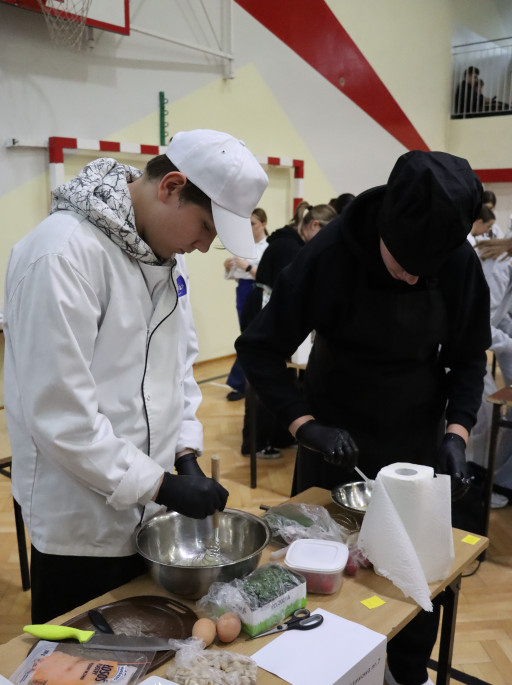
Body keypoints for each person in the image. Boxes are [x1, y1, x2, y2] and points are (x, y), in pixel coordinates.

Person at [236, 150, 491, 685]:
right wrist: (305, 425)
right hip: (335, 428)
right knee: (322, 566)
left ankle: (406, 671)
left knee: (420, 565)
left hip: (417, 426)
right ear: (384, 232)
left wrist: (456, 431)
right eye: (404, 266)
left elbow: (468, 358)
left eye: (423, 274)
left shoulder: (453, 261)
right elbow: (259, 350)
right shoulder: (327, 254)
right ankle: (318, 681)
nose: (411, 278)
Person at [4, 128, 268, 623]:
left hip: (147, 513)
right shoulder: (61, 255)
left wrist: (184, 451)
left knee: (145, 659)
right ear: (171, 186)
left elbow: (178, 371)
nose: (203, 244)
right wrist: (163, 487)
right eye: (206, 227)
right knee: (83, 676)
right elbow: (62, 417)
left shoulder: (163, 261)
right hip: (79, 524)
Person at [240, 203, 337, 459]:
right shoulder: (289, 246)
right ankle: (257, 441)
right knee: (264, 378)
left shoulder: (291, 242)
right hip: (263, 309)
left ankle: (281, 435)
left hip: (267, 306)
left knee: (286, 377)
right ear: (314, 226)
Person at [467, 237, 512, 506]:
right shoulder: (500, 266)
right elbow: (481, 326)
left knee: (490, 416)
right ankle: (478, 489)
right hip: (458, 345)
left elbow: (500, 315)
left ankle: (490, 483)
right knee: (484, 417)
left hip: (471, 342)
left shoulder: (505, 263)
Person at [224, 208, 269, 401]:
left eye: (253, 224)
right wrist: (229, 268)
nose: (249, 228)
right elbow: (236, 275)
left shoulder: (269, 247)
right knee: (247, 336)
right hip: (243, 290)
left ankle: (240, 382)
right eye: (247, 224)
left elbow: (267, 275)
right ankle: (244, 382)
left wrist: (248, 267)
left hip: (260, 291)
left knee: (250, 338)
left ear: (263, 224)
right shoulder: (244, 245)